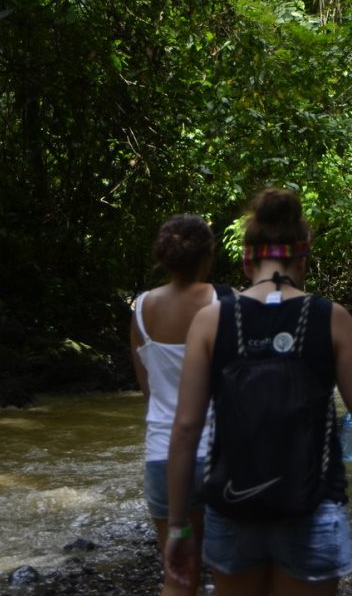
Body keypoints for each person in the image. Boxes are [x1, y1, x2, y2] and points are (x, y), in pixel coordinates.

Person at [164, 188, 352, 596]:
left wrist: (178, 525)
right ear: (303, 257)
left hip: (232, 509)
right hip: (312, 508)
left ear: (247, 258)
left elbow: (186, 429)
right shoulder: (332, 319)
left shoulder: (210, 321)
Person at [130, 214, 231, 595]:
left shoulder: (141, 308)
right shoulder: (225, 301)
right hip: (221, 453)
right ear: (208, 256)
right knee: (227, 573)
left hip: (163, 453)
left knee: (177, 573)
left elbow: (148, 390)